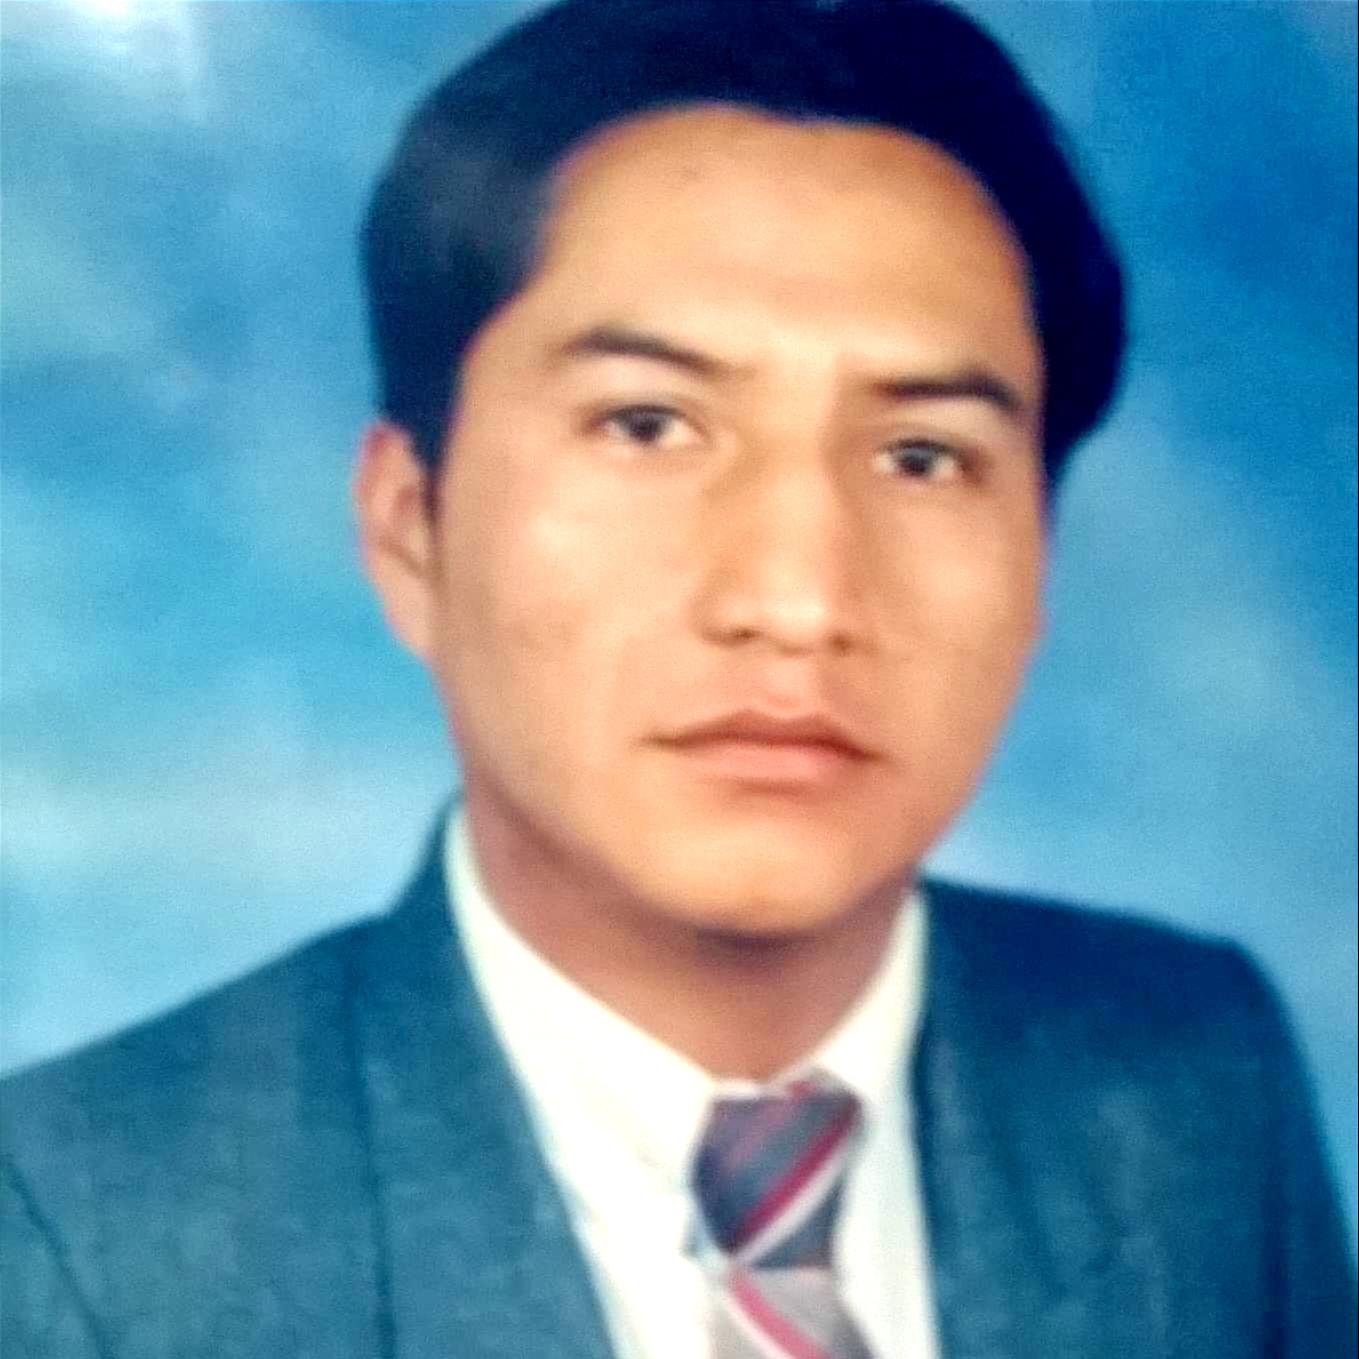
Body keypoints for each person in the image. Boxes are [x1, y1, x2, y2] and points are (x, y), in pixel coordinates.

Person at [2, 1, 1352, 1355]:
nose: (798, 601)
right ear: (412, 528)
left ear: (1040, 553)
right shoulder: (73, 1230)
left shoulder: (1189, 1076)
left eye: (922, 456)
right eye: (648, 425)